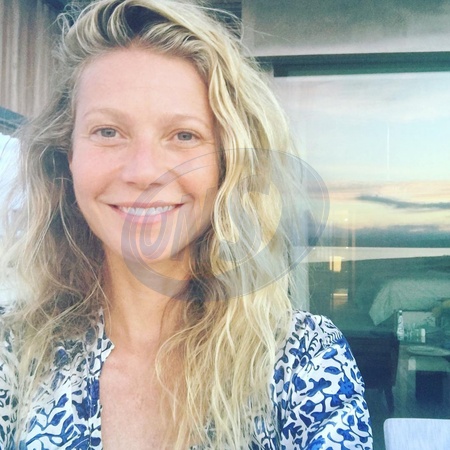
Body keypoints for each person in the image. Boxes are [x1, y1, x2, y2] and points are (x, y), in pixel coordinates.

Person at [0, 0, 372, 448]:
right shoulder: (12, 354)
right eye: (108, 131)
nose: (144, 172)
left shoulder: (303, 361)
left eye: (183, 136)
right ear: (66, 156)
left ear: (225, 165)